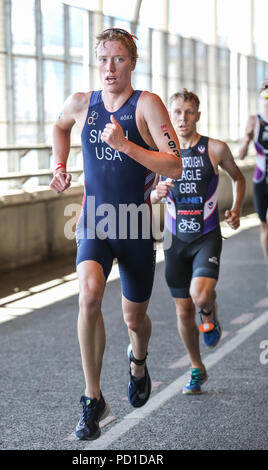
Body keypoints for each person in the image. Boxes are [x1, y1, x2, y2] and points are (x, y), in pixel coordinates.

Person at [50, 28, 182, 440]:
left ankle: (138, 361)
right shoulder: (81, 103)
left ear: (133, 62)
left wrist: (126, 145)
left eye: (119, 59)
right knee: (88, 295)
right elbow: (59, 128)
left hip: (135, 225)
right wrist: (59, 166)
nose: (110, 67)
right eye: (103, 58)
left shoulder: (148, 105)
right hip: (94, 220)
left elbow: (174, 166)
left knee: (134, 318)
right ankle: (93, 398)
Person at [151, 89, 245, 394]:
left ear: (198, 116)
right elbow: (147, 193)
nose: (182, 118)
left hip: (205, 236)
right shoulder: (158, 153)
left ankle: (209, 311)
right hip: (174, 241)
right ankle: (196, 367)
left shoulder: (214, 149)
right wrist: (156, 194)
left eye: (189, 112)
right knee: (182, 312)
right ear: (169, 116)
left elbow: (238, 177)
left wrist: (237, 208)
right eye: (176, 112)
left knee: (200, 296)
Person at [238, 80, 268, 287]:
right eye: (266, 97)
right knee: (264, 225)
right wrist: (246, 142)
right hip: (260, 179)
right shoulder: (254, 121)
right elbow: (241, 152)